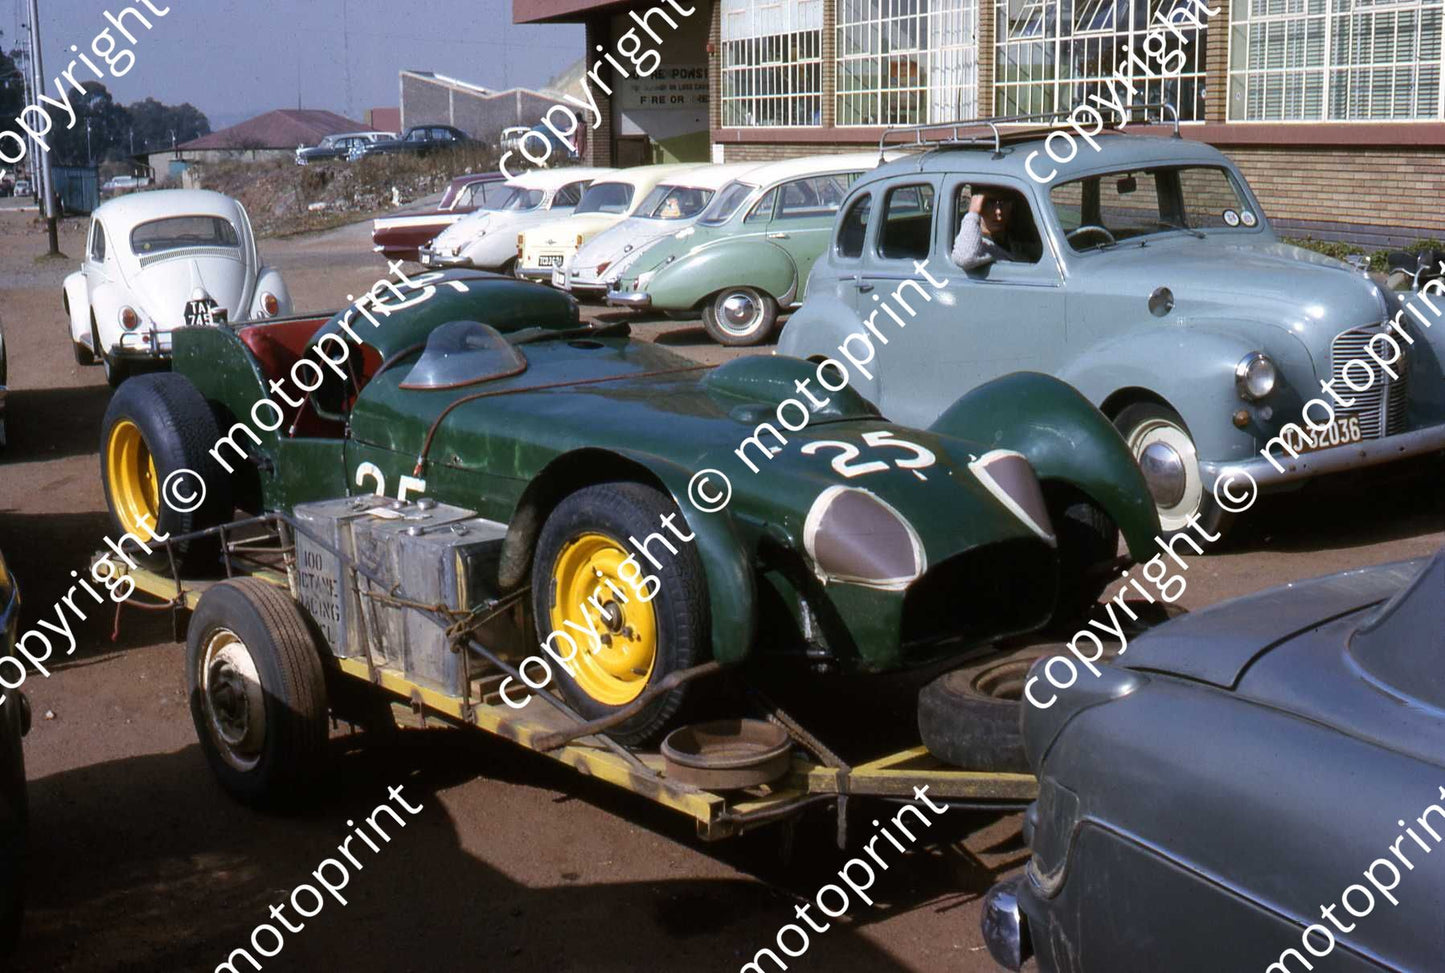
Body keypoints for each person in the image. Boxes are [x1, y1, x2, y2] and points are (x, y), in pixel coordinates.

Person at [951, 191, 1018, 270]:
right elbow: (965, 258)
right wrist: (973, 213)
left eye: (1003, 202)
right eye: (989, 203)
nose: (998, 211)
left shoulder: (1016, 242)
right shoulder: (974, 245)